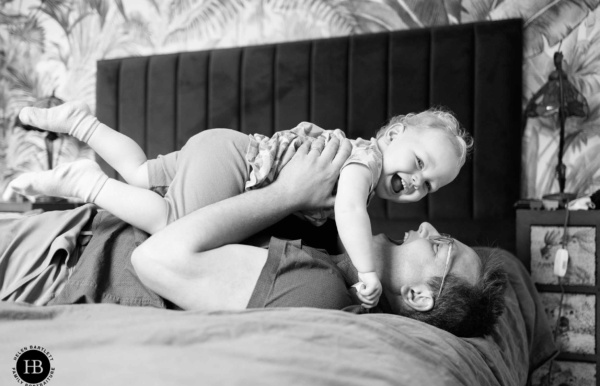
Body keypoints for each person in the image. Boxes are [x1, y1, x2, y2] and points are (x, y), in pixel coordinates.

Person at [8, 101, 473, 309]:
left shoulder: (322, 285)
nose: (419, 192)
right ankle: (87, 182)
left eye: (429, 185)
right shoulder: (360, 168)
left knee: (141, 174)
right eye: (418, 163)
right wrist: (368, 273)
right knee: (169, 218)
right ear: (390, 135)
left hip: (228, 149)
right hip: (232, 166)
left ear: (421, 296)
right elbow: (352, 212)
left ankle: (81, 125)